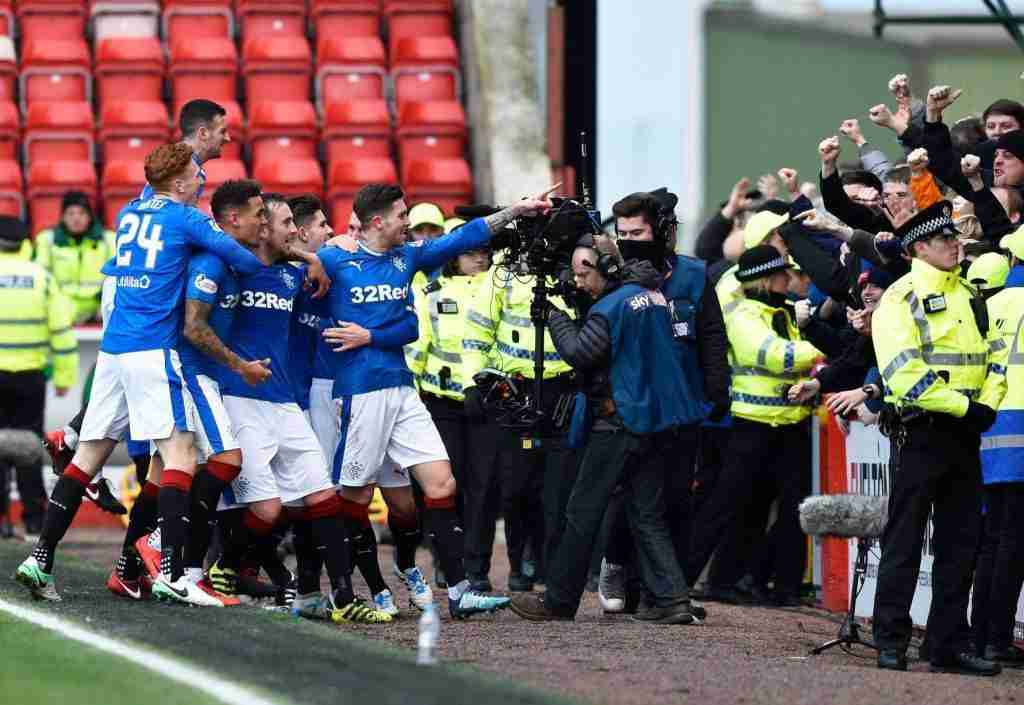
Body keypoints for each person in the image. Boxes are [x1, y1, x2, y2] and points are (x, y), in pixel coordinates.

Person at [13, 143, 306, 604]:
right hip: (152, 347)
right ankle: (172, 570)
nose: (201, 180)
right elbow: (246, 260)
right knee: (182, 455)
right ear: (179, 182)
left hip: (114, 349)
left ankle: (40, 559)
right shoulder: (185, 218)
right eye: (196, 174)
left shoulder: (130, 212)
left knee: (88, 458)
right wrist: (302, 258)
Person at [313, 182, 557, 618]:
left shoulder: (405, 258)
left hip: (404, 390)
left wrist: (516, 211)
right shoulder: (333, 260)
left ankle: (460, 589)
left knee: (442, 484)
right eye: (402, 215)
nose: (408, 222)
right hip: (359, 394)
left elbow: (463, 238)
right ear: (377, 221)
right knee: (353, 496)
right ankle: (358, 588)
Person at [201, 193, 391, 624]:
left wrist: (312, 259)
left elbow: (308, 264)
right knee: (266, 511)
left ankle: (343, 598)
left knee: (324, 497)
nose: (293, 230)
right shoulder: (231, 269)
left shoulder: (292, 276)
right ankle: (221, 567)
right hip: (239, 399)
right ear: (263, 227)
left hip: (286, 402)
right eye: (286, 222)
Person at [508, 235, 697, 624]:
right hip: (655, 422)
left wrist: (555, 317)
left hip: (618, 421)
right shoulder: (650, 294)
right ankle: (673, 599)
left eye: (584, 272)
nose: (577, 281)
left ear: (609, 268)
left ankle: (558, 601)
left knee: (581, 512)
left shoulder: (610, 307)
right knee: (647, 513)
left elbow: (580, 352)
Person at [109, 179, 272, 603]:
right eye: (261, 215)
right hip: (189, 370)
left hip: (183, 369)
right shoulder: (212, 263)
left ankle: (129, 568)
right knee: (226, 460)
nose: (267, 223)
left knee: (163, 472)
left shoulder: (226, 256)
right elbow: (193, 327)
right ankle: (169, 552)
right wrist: (240, 366)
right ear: (233, 218)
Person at [871, 201, 1007, 675]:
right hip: (922, 433)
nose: (956, 244)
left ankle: (946, 643)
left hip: (965, 434)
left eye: (955, 237)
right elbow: (903, 373)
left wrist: (987, 403)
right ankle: (890, 639)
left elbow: (993, 360)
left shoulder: (970, 293)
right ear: (918, 247)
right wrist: (968, 407)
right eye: (944, 239)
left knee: (961, 543)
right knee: (905, 540)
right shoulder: (899, 297)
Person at [596, 189, 730, 613]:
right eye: (623, 233)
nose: (629, 239)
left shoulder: (693, 274)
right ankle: (616, 564)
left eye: (638, 231)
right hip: (632, 403)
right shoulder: (614, 277)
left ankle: (662, 594)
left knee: (674, 499)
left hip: (684, 403)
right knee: (631, 496)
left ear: (661, 232)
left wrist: (717, 387)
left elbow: (711, 335)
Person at [686, 245, 822, 607]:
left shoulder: (783, 312)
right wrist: (819, 354)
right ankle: (683, 580)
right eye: (781, 274)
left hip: (790, 425)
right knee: (729, 505)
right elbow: (777, 355)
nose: (788, 279)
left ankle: (783, 587)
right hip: (752, 427)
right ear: (763, 280)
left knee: (794, 509)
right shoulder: (745, 315)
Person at [0, 216, 78, 540]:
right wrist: (64, 376)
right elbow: (61, 330)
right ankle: (34, 520)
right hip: (31, 377)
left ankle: (1, 522)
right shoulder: (42, 279)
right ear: (26, 243)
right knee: (30, 449)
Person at [972, 235, 1024, 667]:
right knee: (1013, 542)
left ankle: (983, 637)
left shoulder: (992, 305)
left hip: (990, 429)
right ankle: (996, 640)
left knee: (993, 539)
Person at [33, 191, 115, 325]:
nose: (76, 218)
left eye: (82, 213)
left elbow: (118, 277)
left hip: (99, 312)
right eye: (70, 213)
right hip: (59, 312)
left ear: (90, 217)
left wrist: (106, 304)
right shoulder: (47, 240)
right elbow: (41, 278)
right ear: (63, 217)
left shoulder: (108, 240)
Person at [140, 99, 231, 204]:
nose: (228, 138)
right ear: (203, 133)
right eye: (222, 132)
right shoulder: (176, 168)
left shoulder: (186, 167)